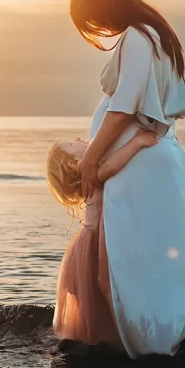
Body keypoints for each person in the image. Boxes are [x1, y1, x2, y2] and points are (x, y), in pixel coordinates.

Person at [69, 0, 185, 357]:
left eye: (92, 19)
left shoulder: (137, 36)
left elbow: (124, 106)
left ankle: (142, 345)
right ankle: (172, 333)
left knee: (125, 264)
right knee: (159, 258)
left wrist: (91, 158)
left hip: (137, 168)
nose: (99, 29)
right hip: (157, 158)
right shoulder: (158, 35)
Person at [46, 129, 159, 346]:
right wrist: (138, 142)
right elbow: (110, 167)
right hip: (96, 239)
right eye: (72, 144)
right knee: (105, 284)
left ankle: (111, 335)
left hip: (96, 237)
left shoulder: (90, 167)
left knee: (101, 293)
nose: (78, 139)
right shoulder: (89, 171)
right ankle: (123, 334)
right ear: (75, 163)